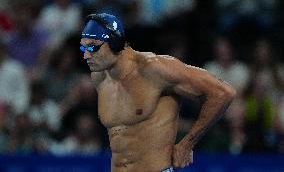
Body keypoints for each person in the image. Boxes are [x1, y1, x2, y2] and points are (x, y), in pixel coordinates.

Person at [79, 13, 236, 172]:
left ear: (115, 42)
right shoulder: (99, 77)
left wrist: (187, 144)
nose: (86, 55)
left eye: (92, 47)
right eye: (83, 48)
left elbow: (223, 93)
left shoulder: (154, 70)